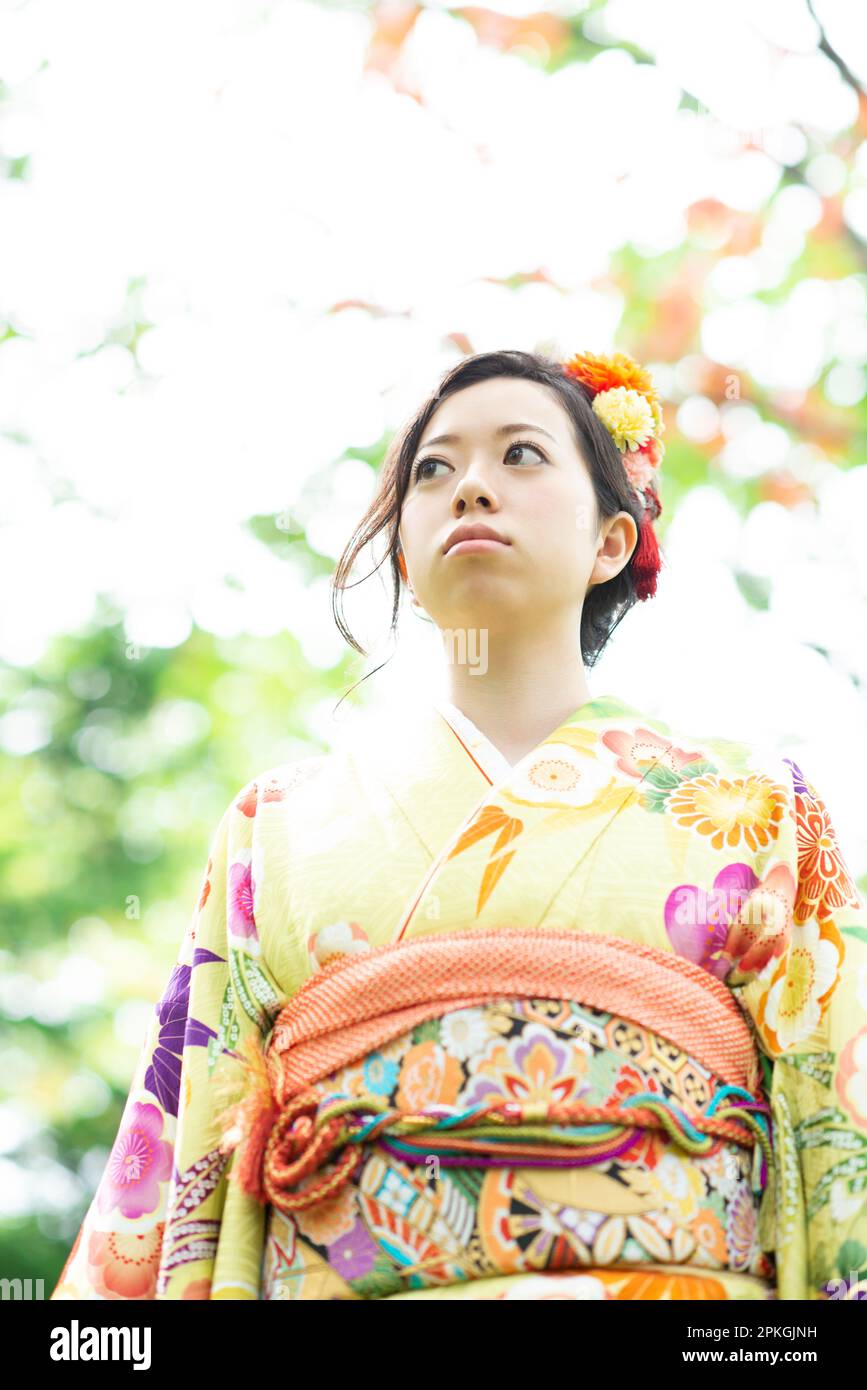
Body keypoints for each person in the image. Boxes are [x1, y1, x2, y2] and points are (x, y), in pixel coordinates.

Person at [50, 348, 867, 1301]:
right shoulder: (274, 829)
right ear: (405, 550)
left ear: (611, 540)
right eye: (433, 470)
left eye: (521, 455)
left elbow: (837, 1135)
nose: (471, 486)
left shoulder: (756, 815)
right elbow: (187, 1151)